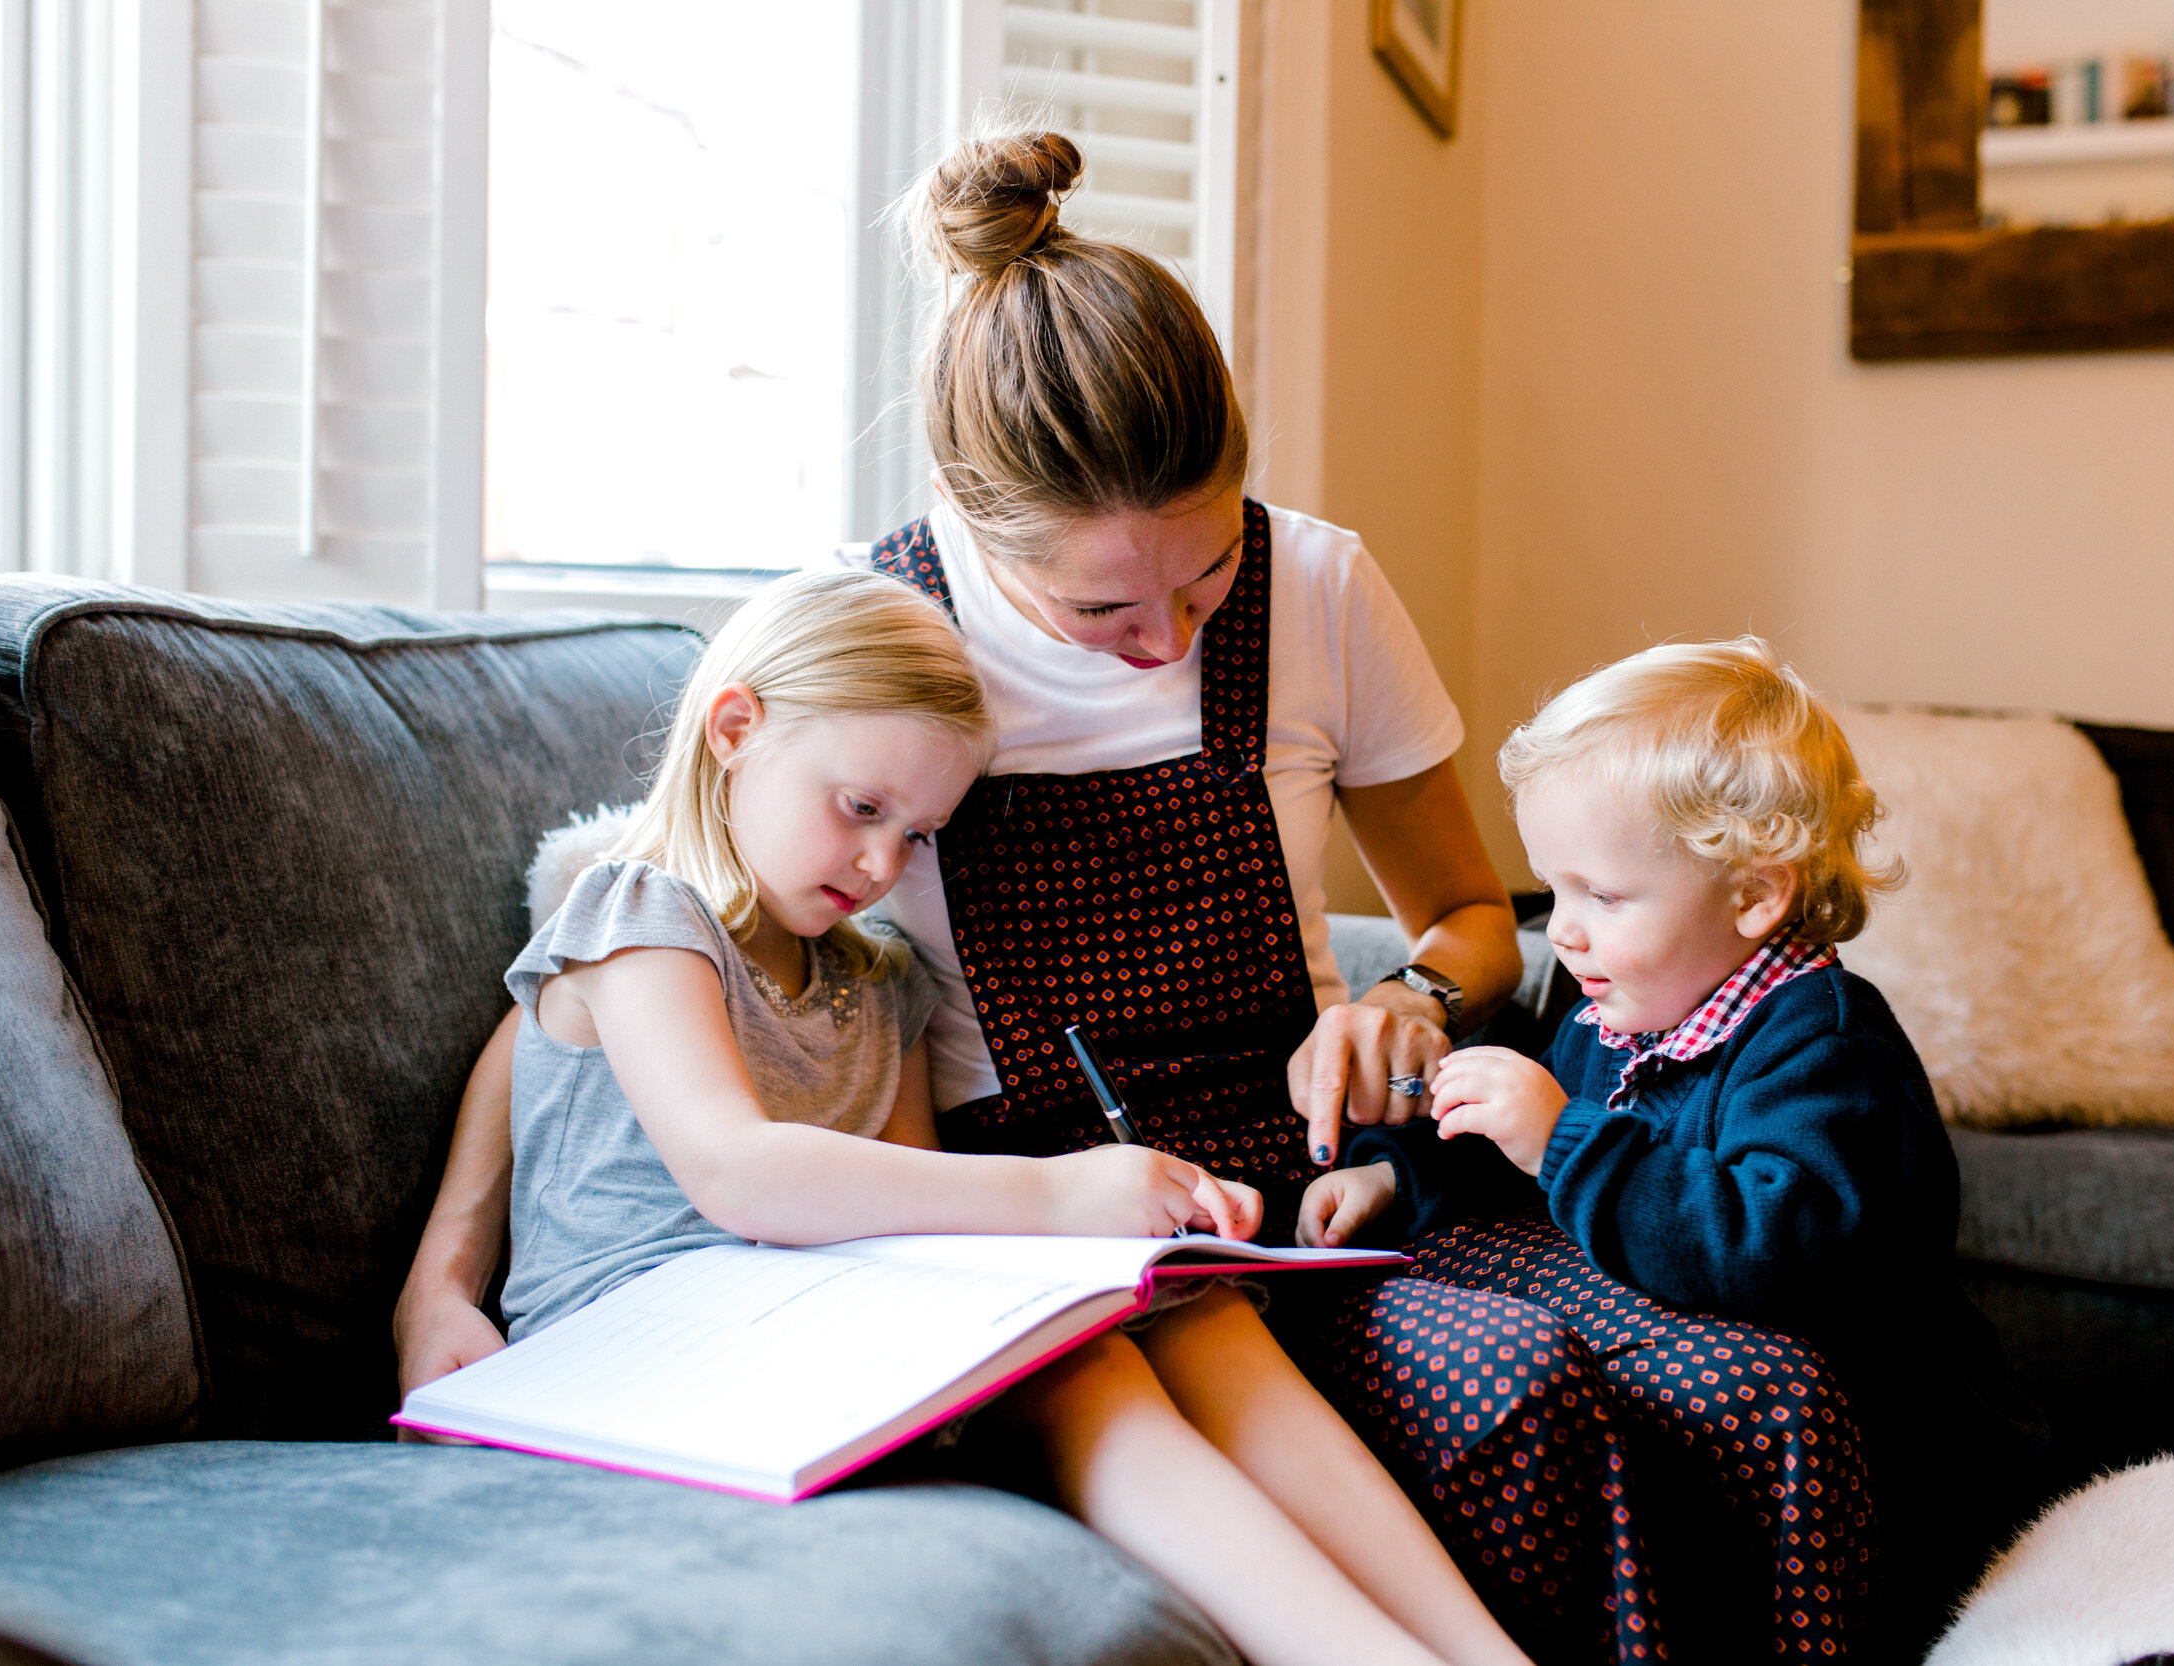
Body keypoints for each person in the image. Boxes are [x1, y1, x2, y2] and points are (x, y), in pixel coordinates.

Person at [395, 128, 1866, 1662]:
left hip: (1283, 1184)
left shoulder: (1321, 589)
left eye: (1207, 576)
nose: (1166, 641)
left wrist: (1408, 999)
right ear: (979, 538)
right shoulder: (878, 666)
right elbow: (587, 984)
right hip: (1015, 1198)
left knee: (1731, 1382)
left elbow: (1473, 923)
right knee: (1490, 1398)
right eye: (1101, 606)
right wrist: (440, 1278)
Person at [484, 565, 1533, 1666]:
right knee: (1073, 1369)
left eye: (919, 835)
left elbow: (915, 1217)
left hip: (789, 1316)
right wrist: (1056, 1188)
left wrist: (1145, 1219)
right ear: (736, 728)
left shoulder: (876, 980)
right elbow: (734, 1171)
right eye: (860, 808)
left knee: (1188, 1309)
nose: (883, 862)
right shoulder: (639, 910)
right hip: (631, 1344)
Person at [1302, 638, 2048, 1659]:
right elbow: (1524, 1170)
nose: (1559, 934)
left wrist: (1564, 1135)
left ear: (1753, 896)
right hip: (1695, 1382)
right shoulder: (1616, 1002)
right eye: (1550, 892)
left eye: (1601, 896)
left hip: (1875, 1455)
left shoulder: (1823, 1045)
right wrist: (1402, 1173)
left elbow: (1765, 1250)